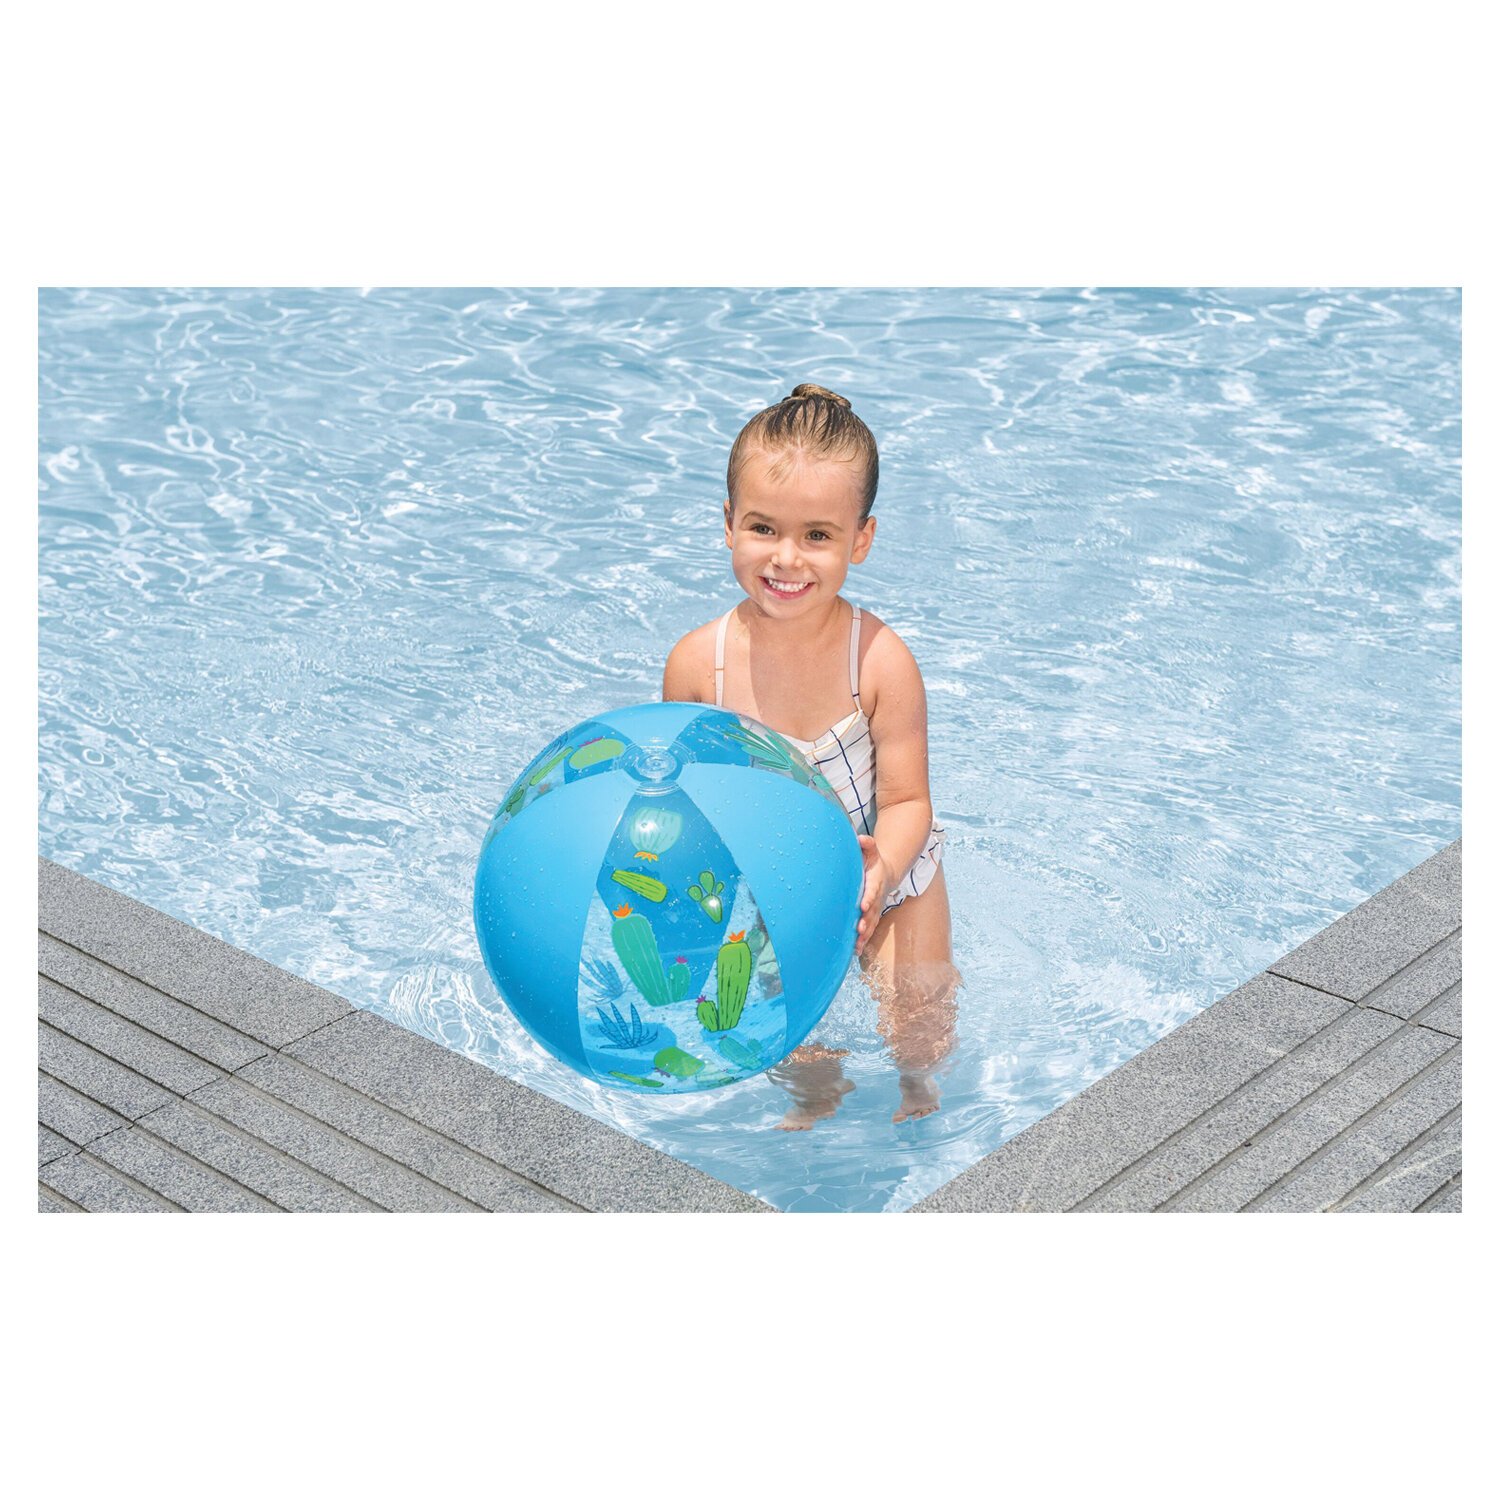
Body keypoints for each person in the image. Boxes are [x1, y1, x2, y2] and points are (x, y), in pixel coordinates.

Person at [661, 383, 962, 1128]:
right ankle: (820, 1092)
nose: (786, 558)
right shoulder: (699, 667)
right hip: (773, 876)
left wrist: (882, 872)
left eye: (818, 535)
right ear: (728, 524)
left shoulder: (879, 661)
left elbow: (908, 801)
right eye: (763, 527)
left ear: (861, 539)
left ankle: (920, 1092)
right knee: (780, 1030)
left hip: (885, 866)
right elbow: (688, 800)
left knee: (917, 1020)